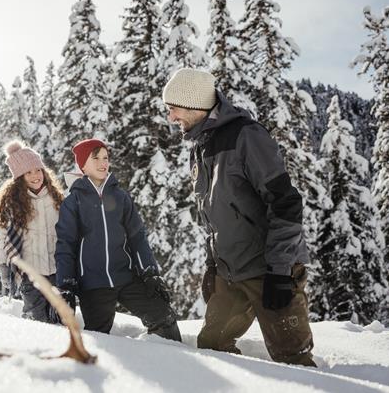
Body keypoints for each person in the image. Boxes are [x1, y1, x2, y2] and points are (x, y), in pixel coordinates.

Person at [163, 68, 316, 367]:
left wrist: (280, 271)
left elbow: (285, 203)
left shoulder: (247, 136)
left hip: (270, 270)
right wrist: (212, 264)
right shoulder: (200, 147)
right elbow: (213, 215)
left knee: (293, 360)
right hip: (230, 272)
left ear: (195, 105)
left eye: (174, 109)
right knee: (211, 348)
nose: (170, 117)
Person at [54, 138, 182, 342]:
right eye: (95, 158)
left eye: (105, 158)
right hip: (93, 284)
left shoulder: (120, 197)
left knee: (164, 317)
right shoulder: (73, 202)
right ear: (82, 165)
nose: (103, 163)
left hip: (127, 277)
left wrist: (149, 272)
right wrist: (66, 285)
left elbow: (137, 237)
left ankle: (176, 366)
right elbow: (65, 245)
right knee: (99, 338)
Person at [0, 140, 64, 323]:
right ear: (19, 177)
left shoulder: (55, 197)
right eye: (28, 172)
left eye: (38, 170)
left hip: (57, 270)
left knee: (58, 318)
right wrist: (2, 264)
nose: (35, 175)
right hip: (30, 273)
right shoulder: (13, 202)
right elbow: (3, 236)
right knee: (37, 319)